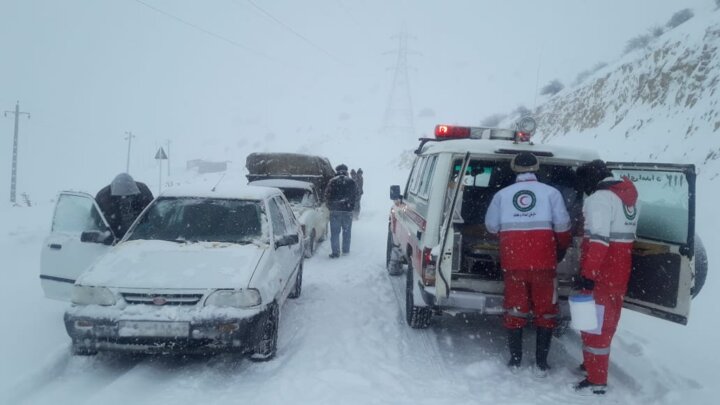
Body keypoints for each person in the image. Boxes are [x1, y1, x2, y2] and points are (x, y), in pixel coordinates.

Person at [484, 152, 572, 376]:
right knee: (546, 312)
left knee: (516, 310)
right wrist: (560, 249)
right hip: (544, 264)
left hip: (513, 264)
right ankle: (542, 363)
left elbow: (491, 226)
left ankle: (515, 360)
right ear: (536, 168)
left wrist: (509, 238)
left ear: (514, 170)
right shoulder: (552, 193)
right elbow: (563, 226)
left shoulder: (502, 196)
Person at [572, 160, 638, 395]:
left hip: (602, 272)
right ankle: (590, 364)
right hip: (619, 272)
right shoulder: (626, 196)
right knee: (605, 322)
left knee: (594, 325)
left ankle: (596, 380)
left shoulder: (600, 199)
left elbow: (599, 240)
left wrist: (589, 274)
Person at [95, 173, 154, 239]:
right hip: (114, 240)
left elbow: (153, 214)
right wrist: (106, 234)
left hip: (141, 239)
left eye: (130, 196)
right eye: (120, 197)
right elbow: (95, 221)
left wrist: (146, 226)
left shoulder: (143, 193)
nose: (126, 200)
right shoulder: (103, 198)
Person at [325, 164, 357, 258]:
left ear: (337, 171)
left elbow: (327, 195)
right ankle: (346, 251)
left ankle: (335, 252)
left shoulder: (332, 182)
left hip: (335, 211)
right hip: (348, 211)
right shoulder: (351, 181)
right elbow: (357, 195)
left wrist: (330, 206)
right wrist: (351, 205)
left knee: (335, 233)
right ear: (346, 171)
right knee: (347, 232)